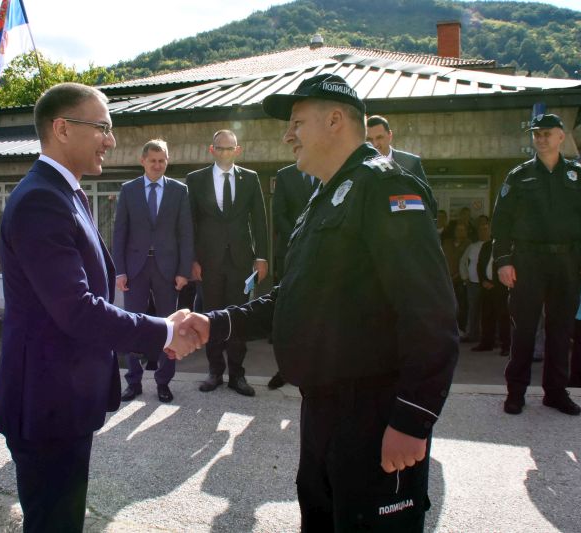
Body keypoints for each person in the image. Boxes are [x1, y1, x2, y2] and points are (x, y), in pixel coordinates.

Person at [187, 73, 458, 531]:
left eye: (297, 122)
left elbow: (430, 313)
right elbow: (290, 297)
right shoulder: (322, 199)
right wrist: (213, 323)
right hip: (323, 409)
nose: (287, 135)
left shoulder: (387, 188)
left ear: (335, 120)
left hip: (372, 412)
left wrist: (413, 420)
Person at [0, 82, 203, 532]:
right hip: (46, 403)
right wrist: (164, 331)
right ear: (63, 129)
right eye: (102, 128)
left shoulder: (65, 192)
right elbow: (78, 310)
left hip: (62, 397)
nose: (111, 140)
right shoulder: (41, 201)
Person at [492, 113, 581, 416]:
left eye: (546, 133)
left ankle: (556, 392)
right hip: (527, 259)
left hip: (568, 261)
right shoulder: (519, 175)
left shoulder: (577, 176)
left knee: (560, 330)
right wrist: (503, 261)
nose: (540, 138)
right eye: (536, 134)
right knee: (524, 329)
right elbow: (501, 223)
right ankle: (515, 393)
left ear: (560, 137)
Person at [186, 129, 269, 396]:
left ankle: (237, 374)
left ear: (238, 150)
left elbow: (259, 219)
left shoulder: (250, 178)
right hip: (208, 263)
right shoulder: (195, 180)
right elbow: (190, 223)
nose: (224, 153)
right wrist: (192, 259)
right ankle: (214, 372)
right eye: (219, 148)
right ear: (212, 150)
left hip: (241, 261)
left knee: (239, 317)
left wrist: (262, 256)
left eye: (229, 148)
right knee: (211, 316)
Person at [113, 139, 194, 403]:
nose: (157, 165)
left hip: (167, 270)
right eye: (153, 160)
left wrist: (184, 271)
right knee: (132, 325)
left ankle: (163, 381)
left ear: (167, 161)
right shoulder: (129, 190)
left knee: (169, 326)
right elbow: (120, 233)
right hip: (135, 269)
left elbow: (185, 233)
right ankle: (133, 382)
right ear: (143, 161)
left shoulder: (179, 191)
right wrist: (120, 271)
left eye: (162, 160)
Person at [267, 163, 319, 390]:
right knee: (288, 310)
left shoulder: (327, 170)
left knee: (315, 311)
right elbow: (279, 214)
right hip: (290, 250)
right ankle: (286, 369)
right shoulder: (285, 175)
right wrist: (299, 238)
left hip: (320, 250)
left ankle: (314, 367)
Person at [473, 229, 511, 356]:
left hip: (501, 287)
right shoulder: (486, 245)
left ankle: (506, 346)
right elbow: (479, 265)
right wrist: (483, 280)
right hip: (486, 285)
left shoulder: (507, 246)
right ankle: (486, 343)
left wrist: (496, 283)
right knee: (486, 315)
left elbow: (508, 266)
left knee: (503, 316)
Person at [366, 115, 428, 183]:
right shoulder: (360, 166)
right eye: (369, 139)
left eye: (379, 137)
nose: (375, 144)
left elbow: (424, 193)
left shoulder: (412, 162)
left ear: (390, 135)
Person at [459, 220, 489, 343]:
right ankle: (472, 334)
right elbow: (463, 262)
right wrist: (465, 278)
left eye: (486, 229)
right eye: (481, 230)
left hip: (489, 285)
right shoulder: (472, 246)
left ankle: (490, 336)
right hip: (473, 283)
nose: (483, 232)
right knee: (473, 310)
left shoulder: (494, 245)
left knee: (488, 312)